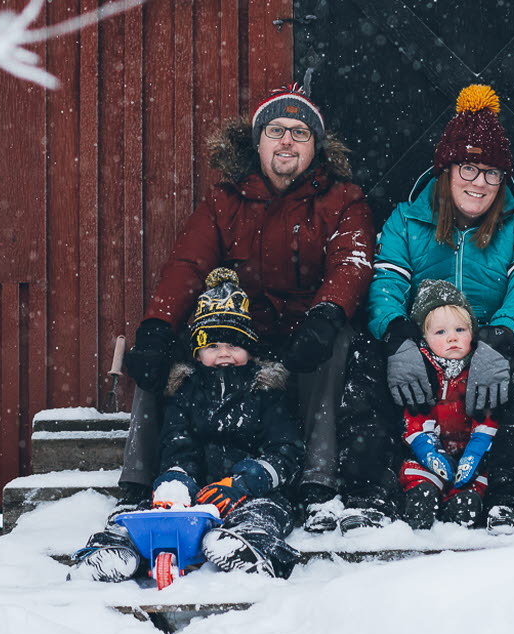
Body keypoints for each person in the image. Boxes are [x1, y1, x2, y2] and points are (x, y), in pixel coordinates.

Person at [117, 83, 375, 528]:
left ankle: (318, 482)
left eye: (300, 132)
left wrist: (327, 314)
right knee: (156, 348)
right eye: (276, 130)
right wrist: (156, 326)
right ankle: (139, 482)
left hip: (303, 333)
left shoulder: (343, 199)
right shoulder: (225, 200)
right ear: (258, 142)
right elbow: (186, 263)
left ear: (316, 146)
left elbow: (351, 264)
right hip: (235, 332)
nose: (287, 141)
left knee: (338, 342)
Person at [338, 84, 514, 535]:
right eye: (470, 168)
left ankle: (511, 497)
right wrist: (398, 339)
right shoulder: (407, 220)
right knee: (360, 361)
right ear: (447, 168)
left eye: (492, 173)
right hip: (423, 345)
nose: (480, 183)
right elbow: (386, 282)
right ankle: (370, 495)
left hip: (494, 339)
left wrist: (496, 341)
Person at [70, 271, 304, 580]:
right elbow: (178, 444)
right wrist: (178, 481)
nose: (224, 354)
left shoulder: (266, 392)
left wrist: (245, 481)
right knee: (147, 512)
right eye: (213, 344)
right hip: (198, 493)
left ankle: (250, 548)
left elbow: (285, 451)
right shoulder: (186, 392)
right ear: (197, 351)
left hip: (251, 492)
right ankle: (113, 550)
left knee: (264, 513)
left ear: (249, 348)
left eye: (235, 344)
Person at [396, 280, 497, 531]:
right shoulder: (423, 370)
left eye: (460, 330)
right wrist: (428, 450)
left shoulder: (479, 370)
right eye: (440, 332)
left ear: (473, 332)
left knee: (477, 482)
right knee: (417, 475)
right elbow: (415, 416)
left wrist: (474, 451)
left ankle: (462, 507)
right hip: (431, 450)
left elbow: (487, 415)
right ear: (425, 337)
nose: (452, 337)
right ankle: (422, 499)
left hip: (471, 452)